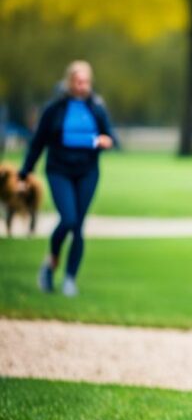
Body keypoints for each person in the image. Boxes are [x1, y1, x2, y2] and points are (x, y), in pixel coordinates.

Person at [18, 60, 117, 297]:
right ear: (69, 82)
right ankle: (51, 262)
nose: (82, 86)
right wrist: (25, 173)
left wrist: (107, 141)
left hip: (87, 171)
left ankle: (70, 279)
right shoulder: (55, 109)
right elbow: (38, 142)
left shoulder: (97, 107)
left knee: (79, 226)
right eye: (78, 81)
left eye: (86, 82)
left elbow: (110, 136)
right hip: (59, 169)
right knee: (69, 219)